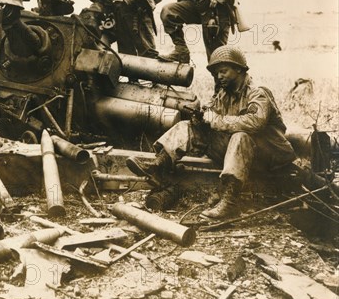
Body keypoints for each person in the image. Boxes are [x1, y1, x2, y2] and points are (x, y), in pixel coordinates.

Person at [126, 46, 296, 220]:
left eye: (223, 71)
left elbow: (255, 123)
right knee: (188, 127)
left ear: (239, 69)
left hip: (270, 156)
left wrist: (215, 120)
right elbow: (210, 115)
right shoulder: (224, 94)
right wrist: (199, 119)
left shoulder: (257, 93)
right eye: (216, 73)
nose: (219, 76)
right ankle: (158, 164)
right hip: (242, 155)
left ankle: (230, 203)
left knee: (240, 136)